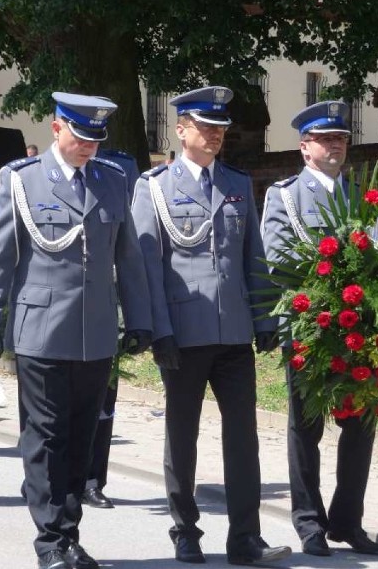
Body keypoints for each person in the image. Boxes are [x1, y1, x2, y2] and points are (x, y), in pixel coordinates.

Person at [0, 92, 152, 569]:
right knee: (46, 435)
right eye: (80, 136)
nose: (88, 146)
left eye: (96, 139)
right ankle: (50, 540)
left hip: (94, 333)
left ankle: (69, 534)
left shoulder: (112, 182)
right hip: (41, 329)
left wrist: (139, 319)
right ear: (56, 129)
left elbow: (127, 257)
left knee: (81, 437)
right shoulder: (22, 180)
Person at [131, 87, 290, 566]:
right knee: (182, 436)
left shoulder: (238, 184)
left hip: (234, 332)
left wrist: (264, 319)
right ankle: (185, 530)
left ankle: (246, 537)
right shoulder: (154, 186)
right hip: (183, 331)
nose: (216, 134)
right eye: (206, 126)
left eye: (220, 127)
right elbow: (147, 266)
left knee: (244, 437)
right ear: (181, 130)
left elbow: (252, 257)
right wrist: (158, 331)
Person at [261, 100, 378, 557]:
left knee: (360, 425)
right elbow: (277, 260)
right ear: (304, 147)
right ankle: (310, 523)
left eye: (341, 139)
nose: (335, 146)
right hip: (309, 330)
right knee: (306, 428)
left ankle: (347, 521)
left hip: (358, 332)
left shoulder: (359, 197)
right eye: (325, 139)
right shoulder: (285, 196)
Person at [80, 144, 141, 511]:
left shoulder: (119, 168)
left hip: (108, 299)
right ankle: (48, 473)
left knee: (104, 397)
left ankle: (92, 479)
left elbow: (128, 239)